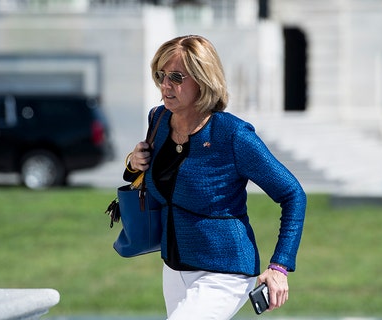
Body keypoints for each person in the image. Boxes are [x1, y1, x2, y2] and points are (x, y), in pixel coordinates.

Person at [124, 35, 306, 320]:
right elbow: (154, 179)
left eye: (176, 76)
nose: (165, 85)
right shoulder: (157, 120)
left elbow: (293, 194)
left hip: (225, 270)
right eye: (161, 74)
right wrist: (134, 163)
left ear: (202, 79)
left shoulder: (233, 135)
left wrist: (280, 266)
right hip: (173, 268)